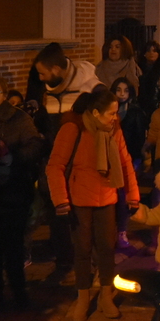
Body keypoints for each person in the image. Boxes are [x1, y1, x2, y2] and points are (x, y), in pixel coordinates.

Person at [47, 89, 140, 321]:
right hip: (79, 199)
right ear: (96, 113)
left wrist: (132, 195)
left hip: (107, 196)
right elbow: (55, 165)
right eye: (111, 113)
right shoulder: (73, 128)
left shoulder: (113, 130)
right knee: (82, 250)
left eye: (116, 113)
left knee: (108, 248)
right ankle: (83, 297)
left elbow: (125, 160)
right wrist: (61, 200)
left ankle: (105, 295)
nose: (115, 118)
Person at [0, 74, 45, 309]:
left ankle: (20, 294)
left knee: (13, 247)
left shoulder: (18, 118)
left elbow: (35, 144)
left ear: (4, 95)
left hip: (14, 191)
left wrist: (13, 157)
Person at [31, 41, 102, 281]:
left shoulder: (90, 87)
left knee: (82, 215)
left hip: (80, 162)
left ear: (57, 70)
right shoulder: (51, 88)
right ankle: (63, 259)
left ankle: (88, 261)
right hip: (55, 161)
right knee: (56, 211)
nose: (40, 78)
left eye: (42, 73)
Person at [112, 77, 148, 252]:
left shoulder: (135, 113)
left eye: (125, 91)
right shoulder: (110, 112)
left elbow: (139, 137)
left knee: (126, 197)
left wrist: (137, 159)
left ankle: (122, 231)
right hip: (112, 160)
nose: (121, 94)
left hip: (130, 158)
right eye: (118, 90)